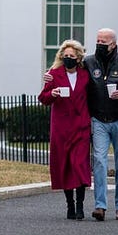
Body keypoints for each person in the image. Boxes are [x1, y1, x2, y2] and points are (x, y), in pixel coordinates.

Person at [48, 28, 118, 221]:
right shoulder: (89, 62)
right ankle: (100, 206)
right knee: (99, 162)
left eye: (104, 42)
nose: (100, 44)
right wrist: (50, 76)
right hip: (99, 120)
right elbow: (69, 71)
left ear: (113, 45)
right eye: (98, 41)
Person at [38, 40, 92, 220]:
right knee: (66, 165)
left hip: (81, 127)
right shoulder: (53, 74)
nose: (68, 58)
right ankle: (70, 205)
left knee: (80, 166)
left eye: (72, 56)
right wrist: (51, 94)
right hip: (61, 128)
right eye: (65, 56)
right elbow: (43, 98)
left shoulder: (85, 75)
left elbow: (93, 97)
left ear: (78, 58)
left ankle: (80, 206)